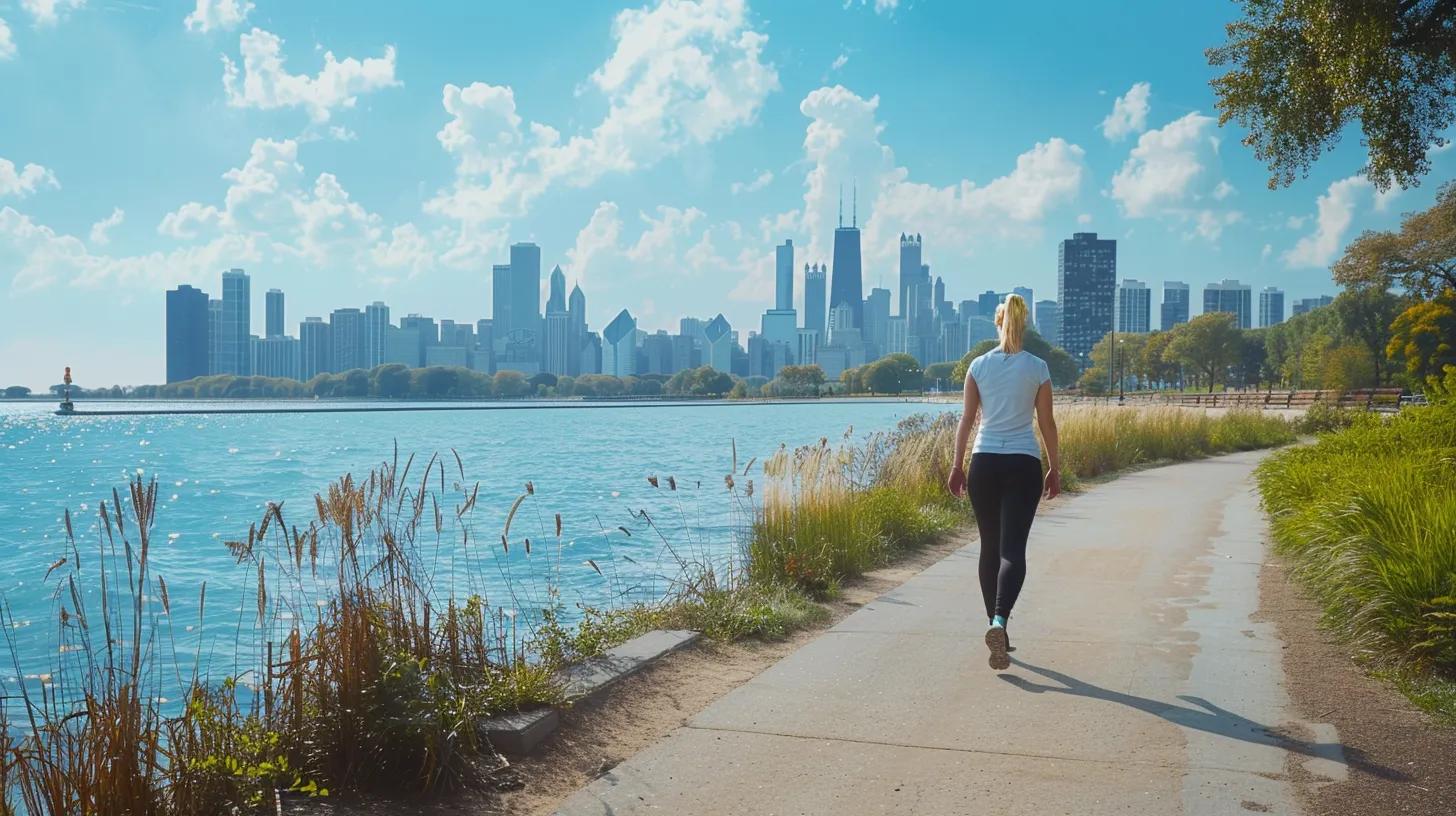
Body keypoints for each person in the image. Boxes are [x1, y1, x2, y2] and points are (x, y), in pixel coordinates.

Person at [946, 293, 1060, 670]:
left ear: (998, 323)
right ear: (1023, 323)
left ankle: (997, 631)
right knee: (1013, 550)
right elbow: (1047, 425)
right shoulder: (1038, 368)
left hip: (984, 462)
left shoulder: (978, 366)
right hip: (1023, 463)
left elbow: (966, 421)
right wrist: (1055, 467)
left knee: (988, 548)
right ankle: (999, 622)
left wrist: (957, 465)